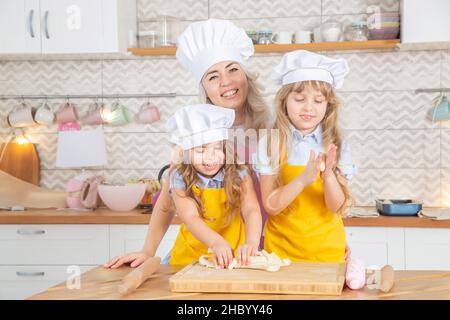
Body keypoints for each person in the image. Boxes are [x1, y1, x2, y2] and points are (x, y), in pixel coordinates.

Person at [104, 19, 270, 269]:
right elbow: (168, 199)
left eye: (233, 69)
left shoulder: (273, 124)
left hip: (265, 241)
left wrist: (325, 231)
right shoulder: (193, 134)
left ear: (245, 73)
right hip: (211, 247)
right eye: (213, 76)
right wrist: (148, 252)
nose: (226, 81)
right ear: (203, 86)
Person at [255, 50, 357, 262]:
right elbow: (271, 206)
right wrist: (303, 179)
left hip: (328, 251)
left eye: (318, 101)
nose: (308, 107)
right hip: (280, 254)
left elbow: (336, 207)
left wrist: (328, 176)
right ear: (284, 101)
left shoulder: (336, 144)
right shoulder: (270, 143)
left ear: (328, 105)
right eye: (300, 99)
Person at [166, 104, 261, 267]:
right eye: (201, 151)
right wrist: (216, 242)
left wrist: (251, 242)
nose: (210, 157)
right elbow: (190, 217)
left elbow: (251, 208)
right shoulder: (180, 177)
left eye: (217, 148)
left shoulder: (239, 173)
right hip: (191, 256)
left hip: (234, 254)